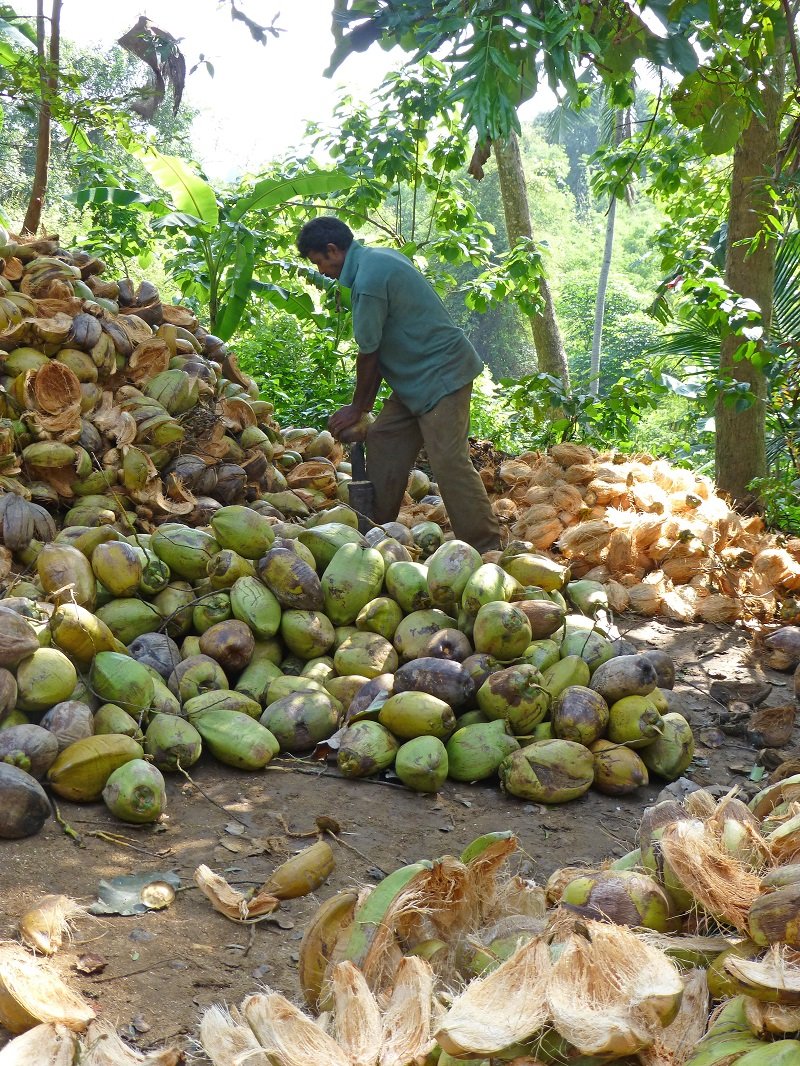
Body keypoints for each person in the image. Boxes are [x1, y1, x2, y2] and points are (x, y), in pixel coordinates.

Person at [296, 217, 501, 554]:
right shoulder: (377, 258)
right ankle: (374, 531)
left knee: (449, 462)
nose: (321, 270)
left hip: (442, 373)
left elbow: (369, 354)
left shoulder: (368, 280)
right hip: (414, 379)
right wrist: (361, 410)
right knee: (384, 438)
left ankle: (485, 547)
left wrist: (357, 408)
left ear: (333, 250)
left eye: (319, 261)